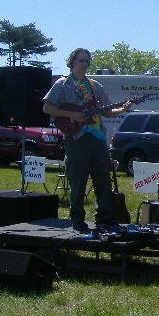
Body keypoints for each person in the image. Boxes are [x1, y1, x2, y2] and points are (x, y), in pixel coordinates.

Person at [42, 48, 131, 233]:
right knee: (78, 180)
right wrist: (72, 114)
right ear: (72, 62)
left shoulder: (95, 85)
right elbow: (47, 108)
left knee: (102, 179)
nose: (84, 64)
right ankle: (77, 220)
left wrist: (123, 109)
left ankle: (105, 218)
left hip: (97, 138)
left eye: (87, 61)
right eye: (81, 60)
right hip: (76, 139)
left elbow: (106, 111)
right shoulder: (62, 84)